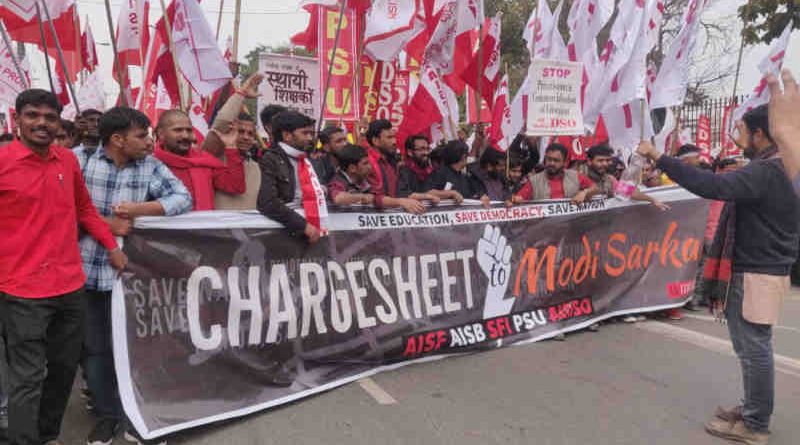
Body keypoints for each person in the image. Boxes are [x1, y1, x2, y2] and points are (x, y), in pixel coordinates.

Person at [638, 104, 800, 445]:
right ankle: (752, 408)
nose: (737, 136)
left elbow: (710, 184)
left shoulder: (767, 170)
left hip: (756, 271)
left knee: (754, 348)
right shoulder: (781, 166)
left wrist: (659, 156)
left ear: (760, 134)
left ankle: (755, 424)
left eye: (742, 130)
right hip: (763, 268)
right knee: (751, 347)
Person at [0, 89, 128, 445]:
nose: (41, 122)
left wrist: (110, 246)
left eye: (49, 117)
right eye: (32, 115)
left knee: (62, 371)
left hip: (71, 286)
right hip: (20, 291)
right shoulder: (3, 160)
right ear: (18, 118)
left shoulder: (67, 161)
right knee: (26, 377)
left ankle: (46, 436)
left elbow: (85, 210)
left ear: (59, 122)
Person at [154, 109, 245, 210]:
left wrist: (231, 147)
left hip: (204, 224)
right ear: (161, 134)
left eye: (189, 130)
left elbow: (235, 187)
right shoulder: (150, 164)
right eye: (178, 130)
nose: (185, 135)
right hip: (165, 225)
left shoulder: (204, 160)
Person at [257, 110, 323, 243]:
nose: (310, 138)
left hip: (308, 232)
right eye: (305, 133)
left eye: (311, 133)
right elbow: (268, 203)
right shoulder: (270, 159)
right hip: (282, 235)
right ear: (287, 135)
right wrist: (303, 226)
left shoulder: (306, 160)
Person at [328, 144, 425, 214]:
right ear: (352, 168)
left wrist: (401, 202)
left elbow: (378, 198)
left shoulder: (366, 181)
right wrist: (361, 197)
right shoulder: (338, 181)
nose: (370, 167)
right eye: (365, 163)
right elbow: (338, 198)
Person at [585, 144, 669, 210]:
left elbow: (629, 192)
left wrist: (652, 200)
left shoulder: (609, 179)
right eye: (600, 160)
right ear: (589, 161)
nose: (605, 164)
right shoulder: (577, 177)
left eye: (607, 160)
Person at [512, 143, 597, 203]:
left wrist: (585, 193)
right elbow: (519, 198)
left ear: (564, 162)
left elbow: (595, 188)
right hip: (543, 227)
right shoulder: (534, 181)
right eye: (549, 159)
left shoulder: (575, 176)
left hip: (570, 226)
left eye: (556, 160)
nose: (551, 163)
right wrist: (514, 200)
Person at [397, 135, 462, 203]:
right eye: (421, 149)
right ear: (410, 152)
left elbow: (431, 190)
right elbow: (402, 194)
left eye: (427, 149)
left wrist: (451, 193)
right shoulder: (403, 171)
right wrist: (427, 196)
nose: (426, 153)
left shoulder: (432, 171)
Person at [424, 140, 490, 206]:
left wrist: (482, 196)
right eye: (467, 155)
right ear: (463, 156)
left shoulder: (466, 176)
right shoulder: (439, 173)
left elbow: (477, 193)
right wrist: (451, 193)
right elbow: (428, 193)